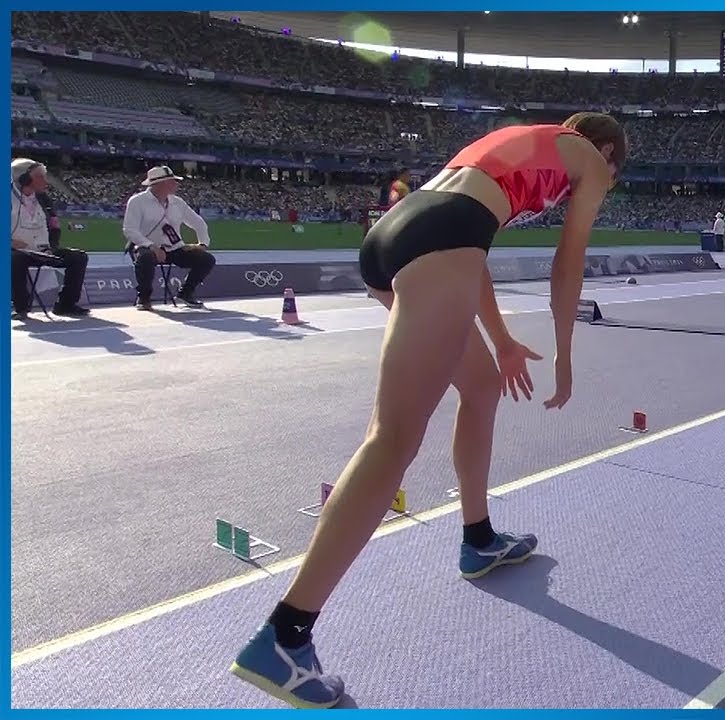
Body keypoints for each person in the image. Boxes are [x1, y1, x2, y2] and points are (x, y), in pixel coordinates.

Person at [229, 112, 626, 709]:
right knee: (392, 440)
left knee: (482, 385)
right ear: (608, 151)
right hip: (441, 238)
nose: (606, 183)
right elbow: (567, 263)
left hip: (395, 232)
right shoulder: (590, 159)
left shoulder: (524, 144)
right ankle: (286, 634)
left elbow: (468, 246)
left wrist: (502, 341)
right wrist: (566, 354)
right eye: (614, 174)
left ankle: (479, 538)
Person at [122, 166, 217, 310]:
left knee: (206, 259)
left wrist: (203, 244)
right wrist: (152, 246)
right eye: (172, 181)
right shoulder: (137, 201)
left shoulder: (178, 202)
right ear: (159, 184)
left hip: (174, 248)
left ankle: (186, 293)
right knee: (145, 258)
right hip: (146, 247)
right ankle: (144, 297)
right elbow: (130, 230)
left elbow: (198, 223)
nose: (176, 184)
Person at [10, 158, 90, 318]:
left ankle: (65, 305)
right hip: (18, 251)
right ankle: (21, 308)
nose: (45, 181)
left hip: (43, 249)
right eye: (39, 176)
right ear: (23, 178)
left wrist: (52, 247)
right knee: (14, 258)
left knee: (79, 257)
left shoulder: (44, 199)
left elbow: (54, 226)